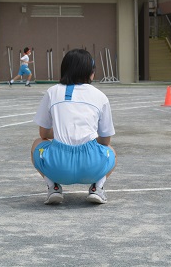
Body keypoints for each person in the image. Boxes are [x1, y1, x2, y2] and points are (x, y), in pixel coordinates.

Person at [31, 49, 116, 205]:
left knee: (37, 143)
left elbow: (43, 133)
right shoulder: (100, 96)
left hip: (58, 166)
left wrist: (62, 131)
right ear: (90, 71)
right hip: (91, 166)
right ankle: (97, 188)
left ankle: (53, 187)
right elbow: (105, 140)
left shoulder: (52, 92)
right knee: (111, 151)